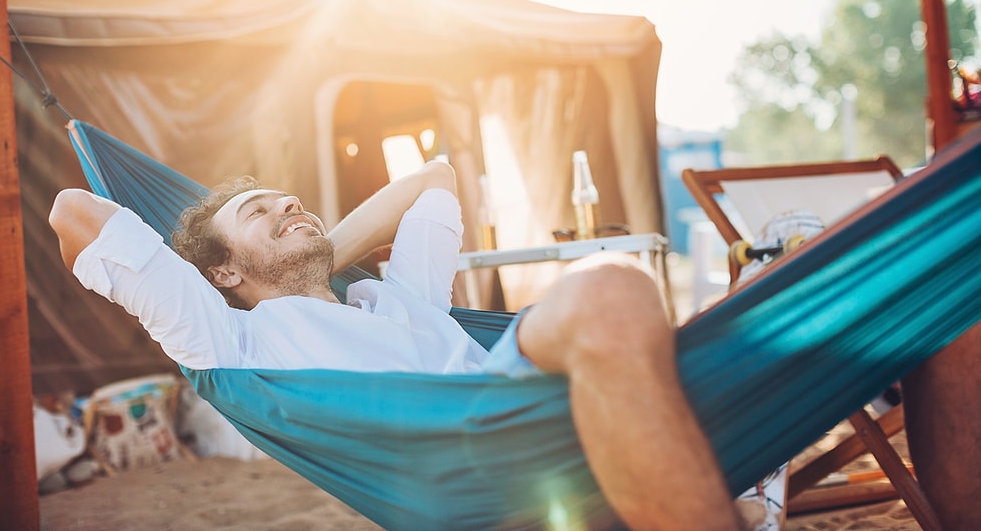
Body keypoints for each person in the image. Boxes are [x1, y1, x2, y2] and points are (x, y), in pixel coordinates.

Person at [50, 160, 740, 530]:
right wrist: (264, 282)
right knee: (611, 286)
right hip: (468, 445)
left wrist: (309, 256)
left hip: (531, 398)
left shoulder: (398, 292)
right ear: (221, 273)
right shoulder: (231, 338)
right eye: (259, 213)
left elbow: (434, 177)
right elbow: (71, 213)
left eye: (291, 202)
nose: (288, 207)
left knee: (698, 327)